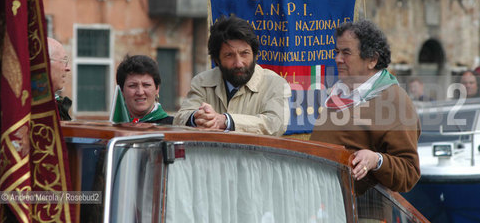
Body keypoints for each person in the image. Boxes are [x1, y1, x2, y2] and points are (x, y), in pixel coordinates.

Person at [310, 20, 420, 193]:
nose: (337, 59)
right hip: (325, 205)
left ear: (372, 60)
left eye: (346, 53)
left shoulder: (394, 99)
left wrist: (376, 160)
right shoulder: (338, 92)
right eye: (336, 52)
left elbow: (409, 172)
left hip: (364, 213)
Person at [173, 15, 291, 136]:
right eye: (229, 55)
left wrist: (226, 121)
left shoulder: (275, 83)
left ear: (255, 55)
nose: (239, 63)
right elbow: (180, 118)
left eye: (244, 53)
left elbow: (275, 124)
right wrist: (198, 117)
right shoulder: (202, 81)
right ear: (217, 60)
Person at [116, 55, 173, 124]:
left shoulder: (173, 127)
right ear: (122, 91)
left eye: (146, 85)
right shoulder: (111, 128)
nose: (140, 92)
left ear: (157, 88)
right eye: (132, 86)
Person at [48, 37, 72, 120]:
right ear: (46, 63)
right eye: (64, 61)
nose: (68, 68)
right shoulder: (34, 109)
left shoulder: (57, 104)